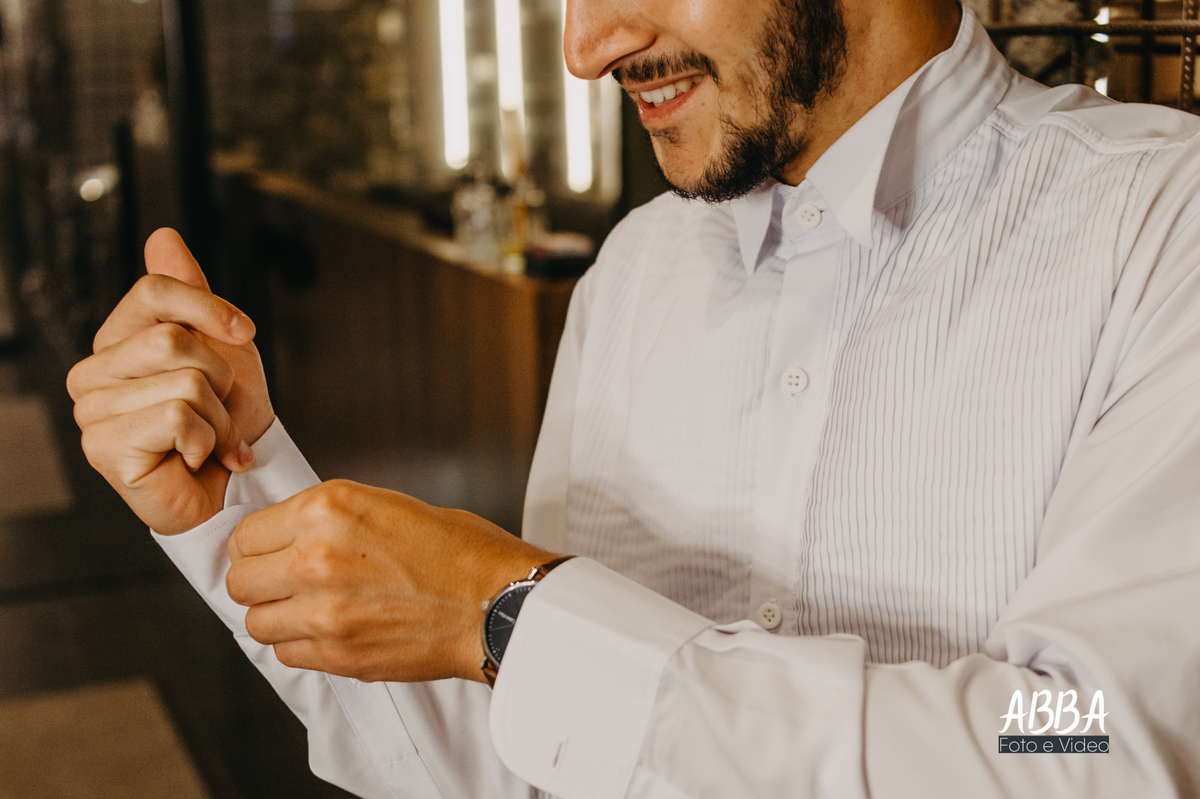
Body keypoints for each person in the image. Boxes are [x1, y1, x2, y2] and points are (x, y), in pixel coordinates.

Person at [66, 0, 1200, 795]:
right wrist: (239, 490)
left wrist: (511, 617)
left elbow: (1092, 742)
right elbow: (522, 757)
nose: (586, 46)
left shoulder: (1158, 227)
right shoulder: (637, 272)